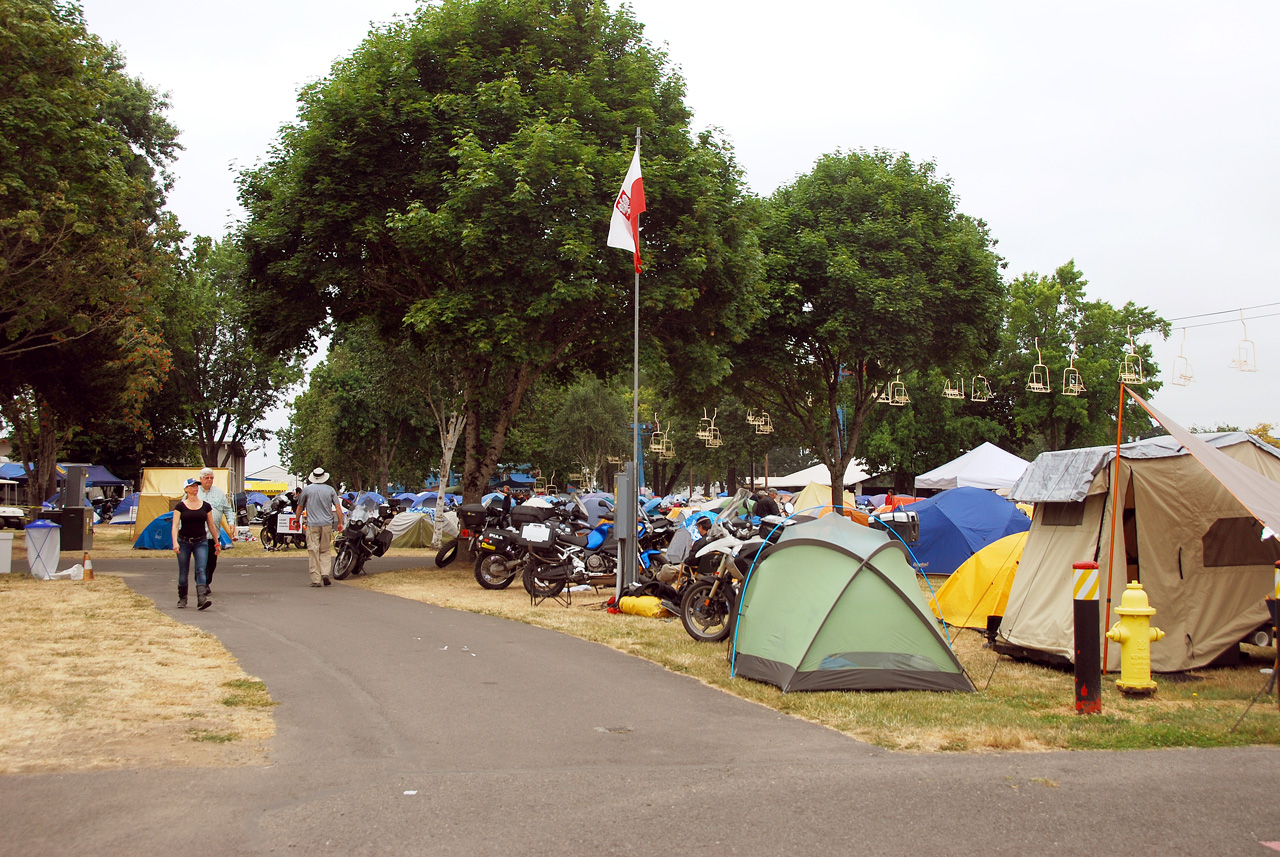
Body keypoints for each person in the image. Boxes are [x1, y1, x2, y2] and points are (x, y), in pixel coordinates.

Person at [171, 477, 220, 610]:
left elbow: (211, 525)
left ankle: (202, 598)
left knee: (201, 569)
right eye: (192, 486)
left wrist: (216, 543)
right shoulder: (180, 506)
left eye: (196, 486)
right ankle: (182, 598)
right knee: (183, 571)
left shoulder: (205, 506)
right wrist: (175, 542)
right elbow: (175, 525)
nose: (195, 488)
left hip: (201, 541)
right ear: (186, 489)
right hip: (184, 541)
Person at [297, 467, 344, 588]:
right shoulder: (330, 490)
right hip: (327, 523)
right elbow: (338, 507)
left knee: (313, 550)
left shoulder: (307, 490)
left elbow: (300, 507)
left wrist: (296, 520)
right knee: (325, 550)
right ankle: (325, 573)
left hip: (312, 524)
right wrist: (340, 522)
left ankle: (316, 578)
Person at [197, 467, 234, 591]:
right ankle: (201, 585)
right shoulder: (194, 493)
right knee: (201, 561)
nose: (209, 480)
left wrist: (231, 522)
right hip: (198, 534)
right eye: (206, 478)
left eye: (211, 478)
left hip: (214, 535)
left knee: (211, 562)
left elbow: (228, 510)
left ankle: (206, 582)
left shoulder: (219, 493)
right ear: (201, 479)